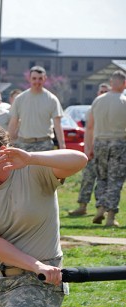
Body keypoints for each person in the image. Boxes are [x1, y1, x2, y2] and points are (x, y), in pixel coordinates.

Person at [0, 123, 87, 307]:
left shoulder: (33, 170)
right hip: (1, 277)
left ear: (2, 153)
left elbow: (80, 159)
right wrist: (35, 265)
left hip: (42, 279)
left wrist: (31, 158)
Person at [84, 70, 126, 227]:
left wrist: (88, 147)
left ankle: (100, 208)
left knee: (102, 178)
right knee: (115, 180)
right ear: (124, 83)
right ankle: (110, 216)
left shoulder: (98, 101)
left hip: (100, 142)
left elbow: (89, 127)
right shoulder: (124, 101)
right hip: (119, 143)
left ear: (111, 82)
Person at [68, 83, 110, 217]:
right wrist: (87, 149)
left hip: (106, 149)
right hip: (92, 149)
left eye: (105, 91)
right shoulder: (93, 109)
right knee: (87, 177)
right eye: (101, 91)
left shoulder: (111, 108)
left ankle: (101, 207)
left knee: (103, 180)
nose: (103, 93)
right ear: (97, 93)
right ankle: (82, 206)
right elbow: (88, 131)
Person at [8, 65, 65, 152]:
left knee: (43, 166)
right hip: (24, 144)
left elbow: (57, 125)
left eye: (40, 78)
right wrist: (10, 143)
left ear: (45, 79)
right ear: (29, 79)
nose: (37, 81)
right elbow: (13, 123)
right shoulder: (20, 99)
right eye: (34, 78)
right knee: (24, 166)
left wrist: (62, 146)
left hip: (44, 144)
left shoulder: (52, 99)